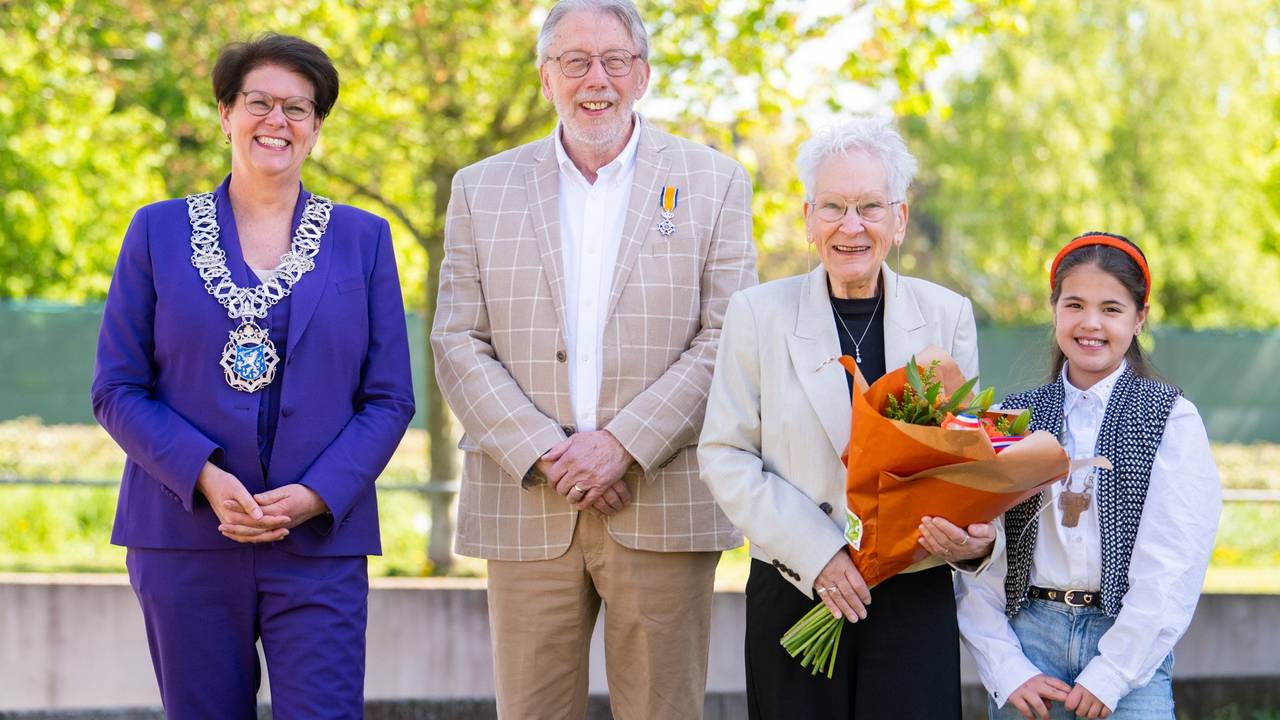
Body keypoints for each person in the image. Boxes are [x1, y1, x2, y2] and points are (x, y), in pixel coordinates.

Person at [430, 0, 756, 716]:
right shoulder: (479, 188)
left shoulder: (715, 181)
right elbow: (457, 341)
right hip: (526, 500)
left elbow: (729, 335)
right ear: (547, 77)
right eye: (574, 61)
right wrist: (550, 452)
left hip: (662, 495)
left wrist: (623, 446)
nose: (595, 79)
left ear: (642, 75)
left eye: (614, 60)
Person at [91, 33, 415, 719]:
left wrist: (317, 494)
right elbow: (117, 388)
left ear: (317, 126)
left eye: (297, 108)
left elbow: (389, 399)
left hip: (318, 542)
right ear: (225, 114)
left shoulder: (365, 239)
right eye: (259, 103)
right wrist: (203, 476)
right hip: (183, 536)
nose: (278, 122)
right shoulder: (156, 232)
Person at [698, 117, 997, 719]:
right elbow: (724, 454)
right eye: (832, 206)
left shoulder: (948, 315)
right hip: (797, 588)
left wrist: (969, 540)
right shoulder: (758, 314)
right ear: (809, 220)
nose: (850, 226)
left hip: (912, 592)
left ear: (900, 219)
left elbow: (966, 459)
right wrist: (821, 555)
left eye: (869, 206)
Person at [955, 232, 1221, 720]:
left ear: (1139, 318)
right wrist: (1006, 667)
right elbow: (983, 560)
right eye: (1074, 304)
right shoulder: (1010, 421)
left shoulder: (1171, 418)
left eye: (1112, 309)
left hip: (1128, 645)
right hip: (1028, 639)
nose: (1091, 323)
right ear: (1054, 308)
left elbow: (1174, 561)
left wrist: (1113, 672)